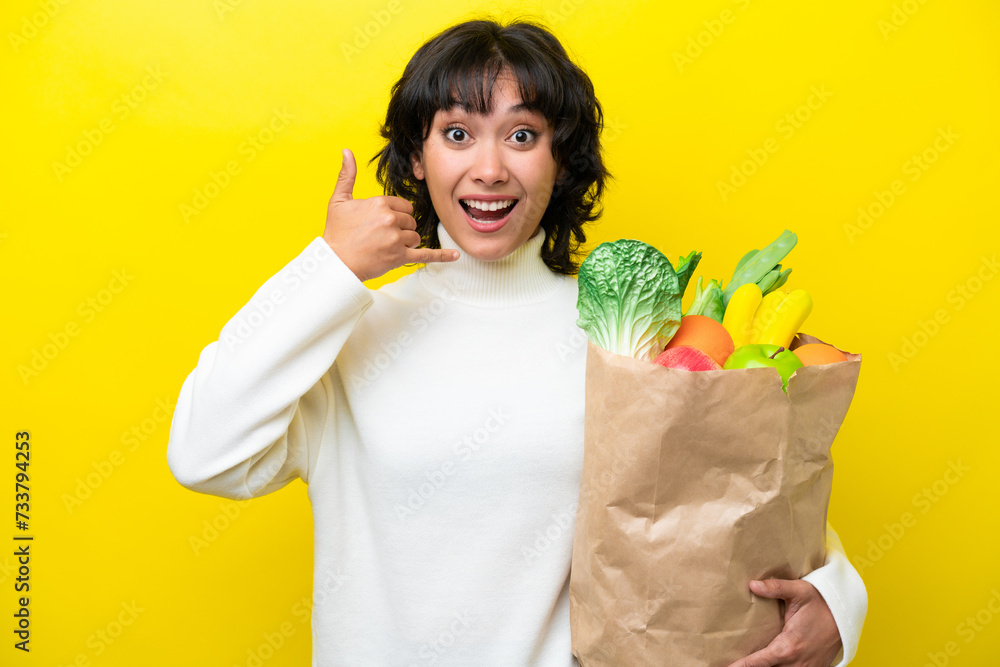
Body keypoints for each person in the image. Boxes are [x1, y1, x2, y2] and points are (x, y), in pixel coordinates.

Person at [166, 17, 866, 666]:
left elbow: (730, 501)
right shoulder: (347, 329)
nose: (491, 169)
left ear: (562, 160)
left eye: (523, 135)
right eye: (458, 134)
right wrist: (327, 269)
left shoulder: (624, 335)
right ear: (416, 156)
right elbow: (202, 453)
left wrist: (840, 601)